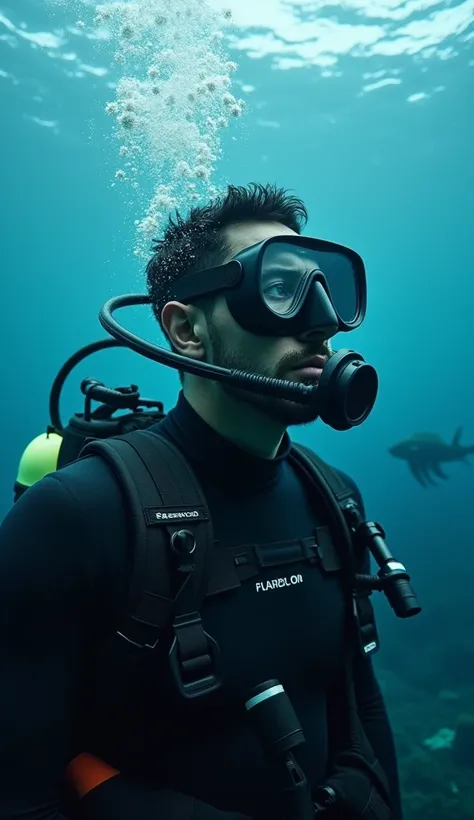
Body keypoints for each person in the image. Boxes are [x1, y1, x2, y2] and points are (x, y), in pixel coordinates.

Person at [0, 183, 402, 820]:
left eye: (329, 286)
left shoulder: (335, 498)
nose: (322, 318)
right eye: (280, 286)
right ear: (186, 329)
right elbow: (20, 792)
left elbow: (361, 709)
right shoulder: (73, 516)